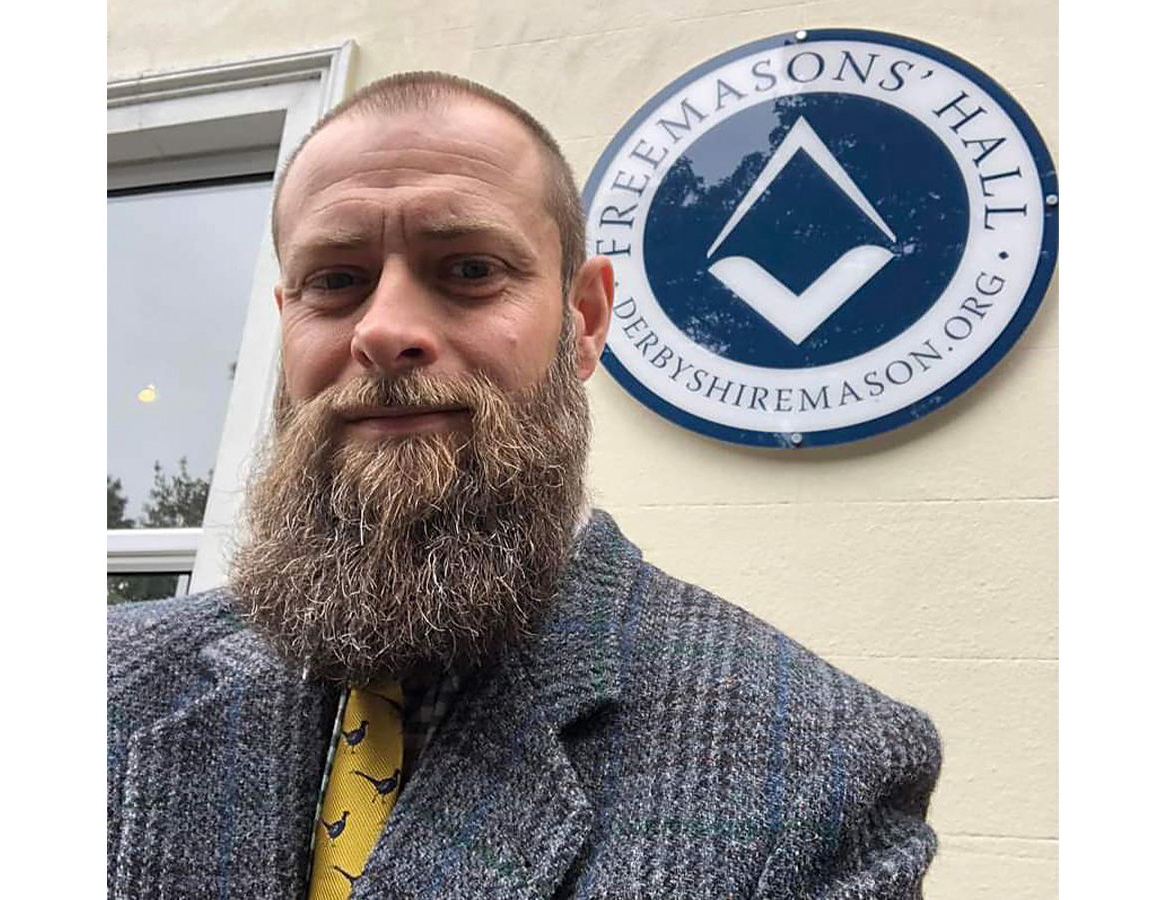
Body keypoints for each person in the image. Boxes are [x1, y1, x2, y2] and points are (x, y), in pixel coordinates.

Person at [107, 71, 942, 900]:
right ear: (288, 316)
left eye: (469, 268)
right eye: (336, 281)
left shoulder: (817, 765)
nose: (385, 329)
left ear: (583, 321)